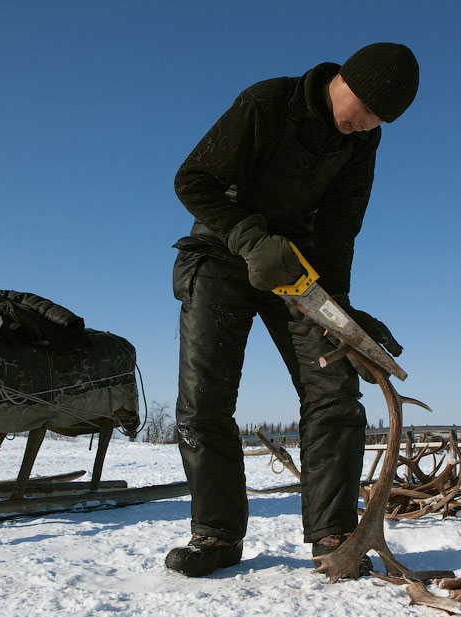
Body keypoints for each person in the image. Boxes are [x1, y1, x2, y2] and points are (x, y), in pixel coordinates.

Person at [165, 43, 419, 577]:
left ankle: (333, 534)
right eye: (370, 111)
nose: (371, 125)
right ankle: (215, 535)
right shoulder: (267, 103)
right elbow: (192, 179)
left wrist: (340, 310)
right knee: (203, 400)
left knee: (335, 393)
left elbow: (339, 227)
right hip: (221, 253)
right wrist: (251, 238)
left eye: (382, 121)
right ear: (347, 81)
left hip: (298, 272)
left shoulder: (363, 140)